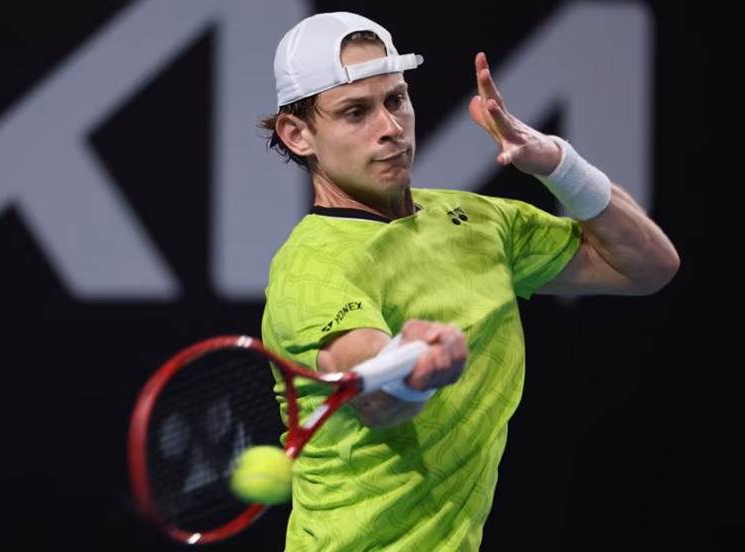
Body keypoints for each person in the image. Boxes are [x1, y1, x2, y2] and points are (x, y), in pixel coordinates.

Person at [258, 11, 679, 552]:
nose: (389, 127)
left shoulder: (480, 222)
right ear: (298, 135)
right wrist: (415, 371)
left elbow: (647, 266)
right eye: (355, 112)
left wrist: (558, 164)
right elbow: (376, 398)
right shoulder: (311, 269)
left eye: (396, 99)